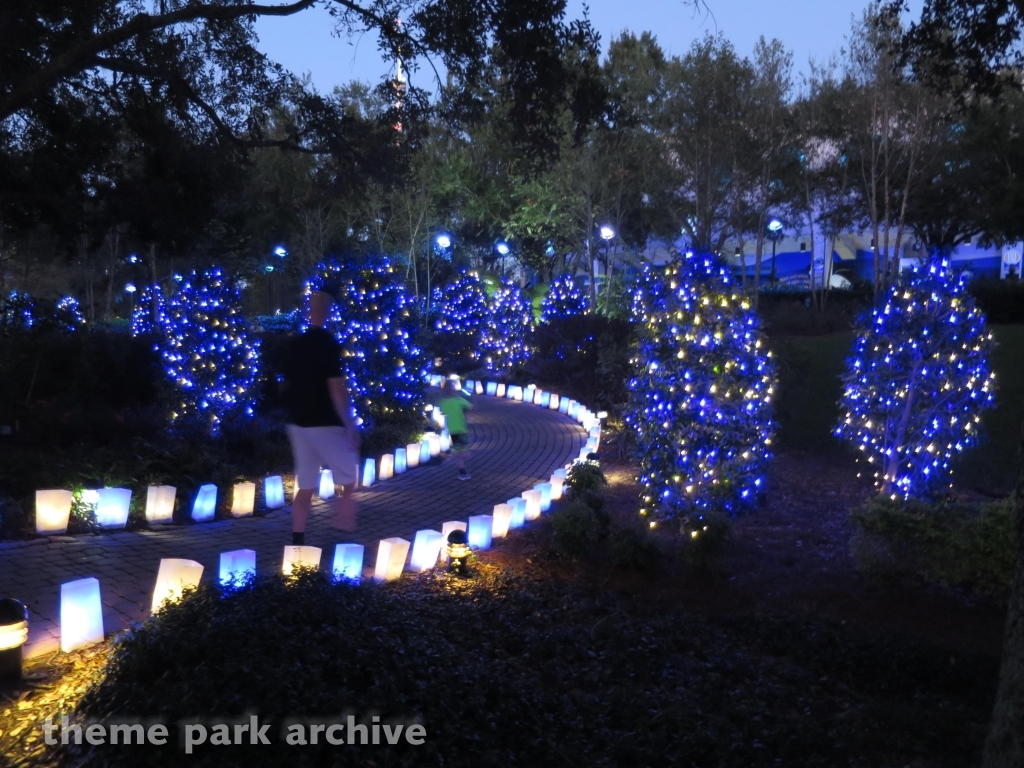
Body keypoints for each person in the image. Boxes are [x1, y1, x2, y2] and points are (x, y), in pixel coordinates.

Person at [281, 291, 360, 544]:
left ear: (308, 311)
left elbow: (286, 384)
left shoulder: (295, 344)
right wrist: (349, 424)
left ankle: (297, 540)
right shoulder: (328, 343)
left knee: (305, 484)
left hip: (298, 423)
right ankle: (344, 518)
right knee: (348, 476)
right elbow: (336, 388)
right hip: (325, 422)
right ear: (327, 312)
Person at [437, 378, 473, 480]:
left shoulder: (443, 402)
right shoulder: (458, 400)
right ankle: (455, 459)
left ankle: (462, 472)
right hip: (460, 430)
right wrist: (471, 397)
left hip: (455, 430)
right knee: (465, 453)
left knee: (461, 452)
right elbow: (471, 406)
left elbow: (442, 412)